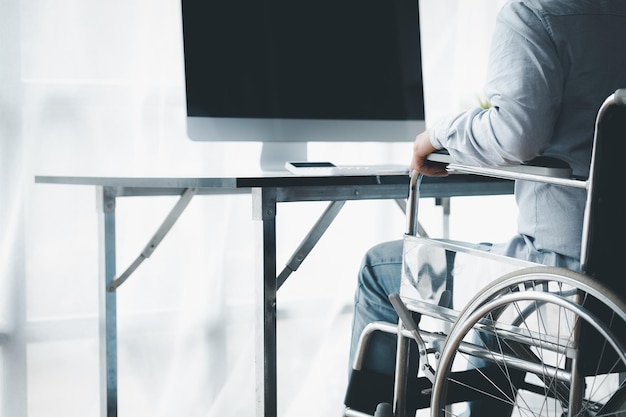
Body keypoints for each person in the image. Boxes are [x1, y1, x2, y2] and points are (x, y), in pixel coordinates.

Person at [347, 0, 626, 415]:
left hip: (566, 285)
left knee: (379, 268)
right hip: (615, 286)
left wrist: (436, 135)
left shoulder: (536, 13)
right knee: (493, 285)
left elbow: (514, 134)